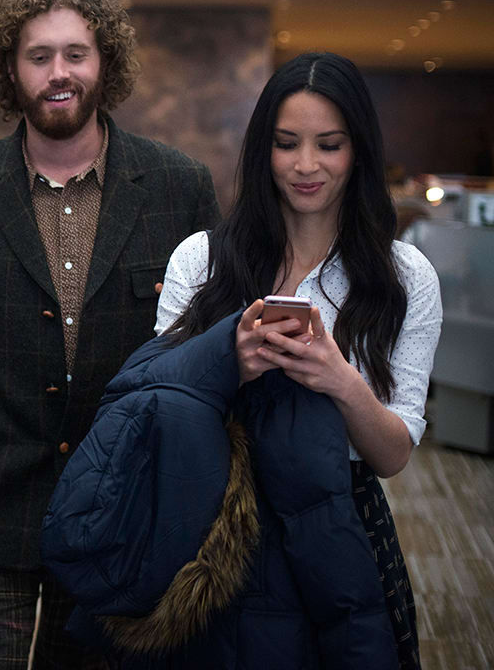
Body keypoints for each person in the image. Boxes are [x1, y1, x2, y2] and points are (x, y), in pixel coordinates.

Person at [0, 0, 219, 669]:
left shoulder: (179, 186)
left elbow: (205, 351)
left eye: (76, 53)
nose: (58, 73)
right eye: (38, 55)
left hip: (121, 500)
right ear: (9, 72)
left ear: (105, 62)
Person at [154, 52, 440, 668]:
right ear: (263, 150)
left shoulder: (404, 277)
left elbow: (392, 457)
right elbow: (158, 410)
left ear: (358, 150)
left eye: (329, 145)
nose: (306, 166)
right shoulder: (202, 260)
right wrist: (228, 363)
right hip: (215, 523)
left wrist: (342, 382)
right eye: (287, 144)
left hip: (343, 523)